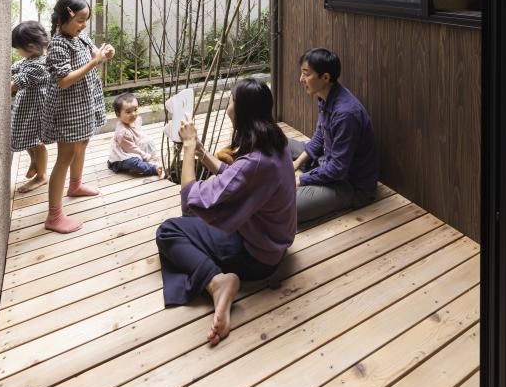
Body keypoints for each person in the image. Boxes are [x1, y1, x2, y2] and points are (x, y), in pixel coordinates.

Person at [156, 78, 296, 345]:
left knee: (169, 230)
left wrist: (188, 146)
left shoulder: (255, 163)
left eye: (231, 100)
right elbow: (238, 177)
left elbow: (189, 199)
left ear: (241, 110)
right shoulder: (275, 143)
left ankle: (217, 282)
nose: (227, 106)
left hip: (256, 256)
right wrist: (202, 153)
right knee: (199, 216)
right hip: (272, 245)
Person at [40, 0, 114, 233]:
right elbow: (63, 81)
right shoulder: (58, 44)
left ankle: (75, 185)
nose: (83, 25)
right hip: (68, 108)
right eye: (80, 20)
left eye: (86, 20)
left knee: (82, 143)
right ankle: (54, 216)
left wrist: (104, 54)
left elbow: (94, 53)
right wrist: (94, 62)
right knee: (65, 156)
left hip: (83, 104)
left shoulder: (79, 36)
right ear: (66, 16)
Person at [289, 47, 378, 225]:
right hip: (326, 161)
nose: (301, 79)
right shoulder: (324, 96)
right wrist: (296, 164)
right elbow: (319, 138)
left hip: (349, 184)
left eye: (306, 74)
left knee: (289, 207)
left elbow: (337, 169)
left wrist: (300, 179)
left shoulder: (346, 114)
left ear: (325, 77)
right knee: (278, 142)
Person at [10, 20, 50, 194]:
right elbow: (16, 67)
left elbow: (14, 85)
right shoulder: (31, 59)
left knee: (37, 142)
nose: (16, 52)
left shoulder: (40, 66)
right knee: (27, 139)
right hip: (27, 109)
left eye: (17, 48)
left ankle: (41, 175)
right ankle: (35, 162)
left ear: (31, 47)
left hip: (36, 111)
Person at [108, 93, 164, 179]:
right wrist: (145, 156)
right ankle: (153, 169)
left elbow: (138, 135)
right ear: (118, 114)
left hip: (131, 147)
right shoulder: (122, 133)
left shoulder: (132, 120)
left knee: (148, 141)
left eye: (135, 110)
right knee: (134, 162)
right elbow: (132, 149)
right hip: (121, 157)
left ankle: (150, 160)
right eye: (128, 112)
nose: (133, 114)